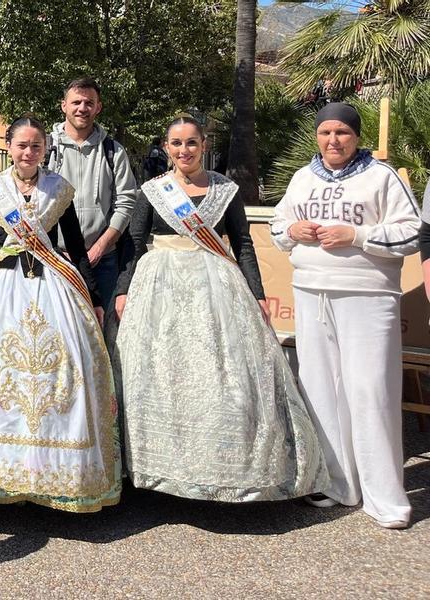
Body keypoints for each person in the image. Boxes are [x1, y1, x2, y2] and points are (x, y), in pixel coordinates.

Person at [116, 117, 327, 502]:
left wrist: (258, 293)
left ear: (204, 144)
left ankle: (223, 471)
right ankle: (157, 471)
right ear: (166, 147)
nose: (184, 150)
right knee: (161, 375)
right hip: (158, 287)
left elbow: (243, 244)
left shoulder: (224, 190)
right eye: (177, 143)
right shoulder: (152, 191)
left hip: (216, 287)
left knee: (222, 373)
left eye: (191, 143)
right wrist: (122, 289)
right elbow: (133, 242)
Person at [0, 116, 120, 511]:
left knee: (64, 371)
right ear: (10, 148)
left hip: (51, 284)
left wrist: (93, 295)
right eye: (21, 145)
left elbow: (75, 245)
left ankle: (55, 474)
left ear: (44, 150)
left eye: (35, 146)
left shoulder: (58, 190)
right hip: (0, 287)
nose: (28, 152)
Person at [271, 102, 420, 529]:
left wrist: (358, 234)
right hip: (311, 291)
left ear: (356, 137)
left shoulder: (381, 176)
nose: (333, 140)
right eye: (325, 133)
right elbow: (280, 225)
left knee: (370, 389)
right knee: (320, 389)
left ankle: (386, 499)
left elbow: (411, 231)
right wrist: (292, 231)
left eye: (342, 133)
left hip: (367, 296)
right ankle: (338, 483)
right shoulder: (303, 178)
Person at [46, 78, 138, 317]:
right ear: (63, 105)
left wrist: (100, 247)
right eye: (76, 101)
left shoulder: (113, 151)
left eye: (89, 102)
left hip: (103, 261)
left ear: (98, 107)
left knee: (100, 332)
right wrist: (54, 250)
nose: (82, 108)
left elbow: (126, 202)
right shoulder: (45, 149)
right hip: (56, 259)